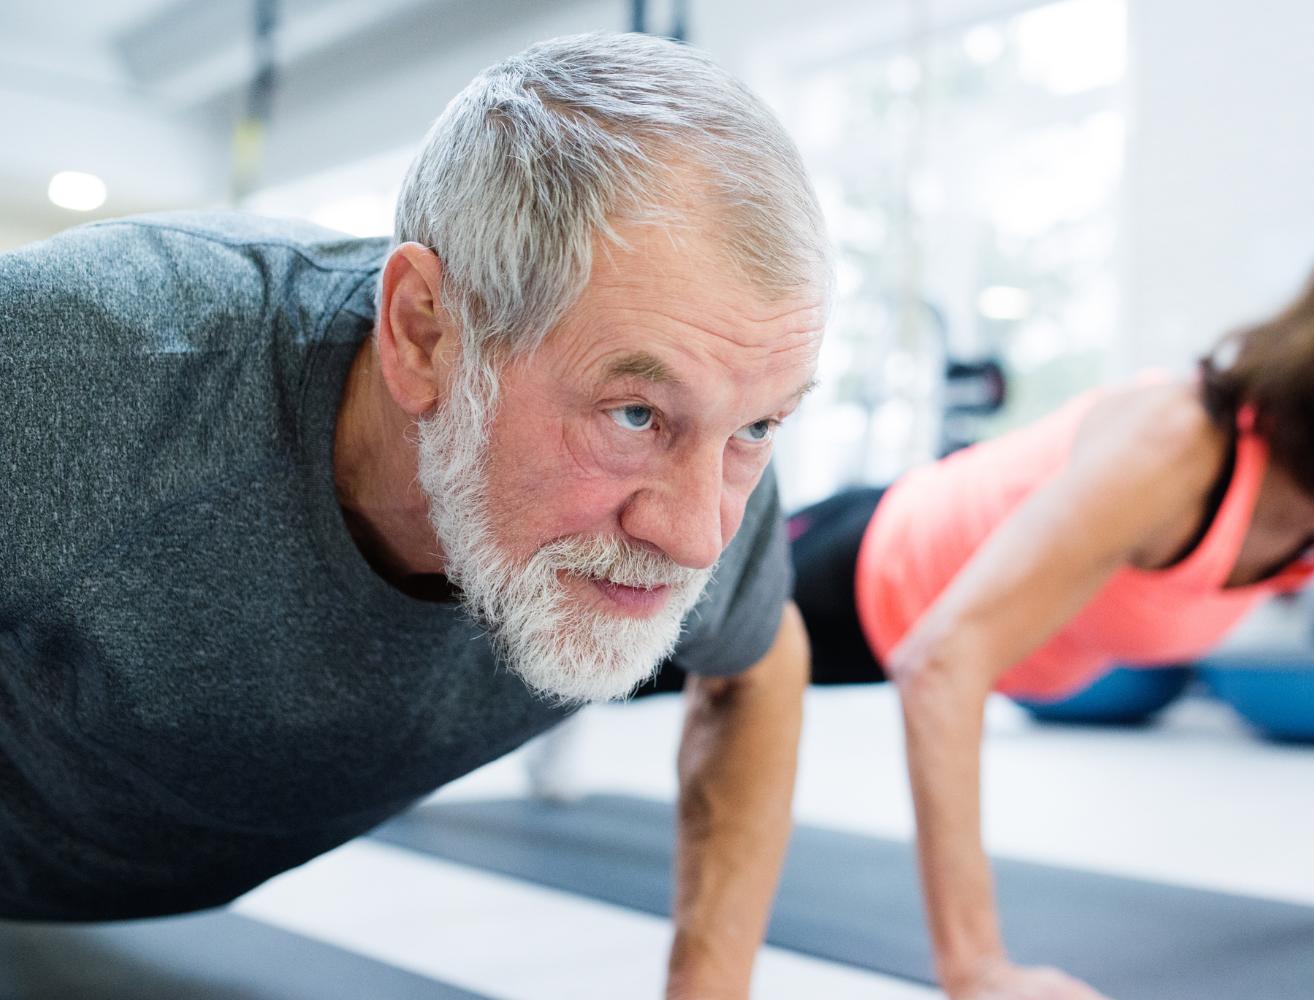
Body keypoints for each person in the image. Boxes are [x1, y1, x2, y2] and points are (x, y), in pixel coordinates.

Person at [0, 32, 829, 998]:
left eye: (760, 425)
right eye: (633, 414)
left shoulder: (704, 449)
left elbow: (763, 664)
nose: (698, 536)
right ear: (425, 335)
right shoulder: (83, 366)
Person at [786, 211, 1314, 1000]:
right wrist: (977, 970)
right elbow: (941, 658)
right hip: (856, 569)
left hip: (936, 628)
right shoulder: (1178, 447)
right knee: (667, 669)